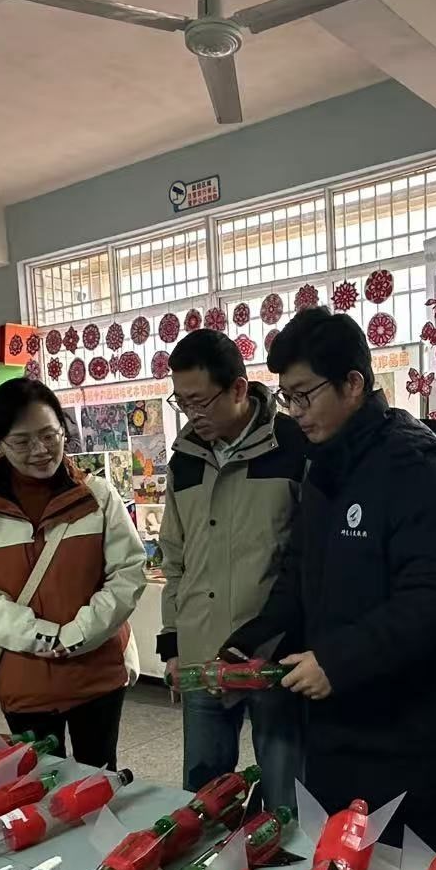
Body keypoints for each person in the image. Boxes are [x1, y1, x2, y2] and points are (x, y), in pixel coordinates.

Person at [225, 308, 436, 851]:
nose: (294, 413)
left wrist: (338, 661)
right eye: (286, 398)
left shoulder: (415, 469)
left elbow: (434, 598)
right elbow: (300, 573)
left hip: (410, 740)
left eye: (304, 395)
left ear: (354, 383)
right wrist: (252, 641)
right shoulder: (326, 466)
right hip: (339, 730)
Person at [0, 378, 146, 766]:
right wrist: (37, 635)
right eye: (21, 442)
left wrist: (80, 632)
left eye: (49, 435)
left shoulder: (98, 497)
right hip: (24, 679)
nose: (40, 450)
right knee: (37, 781)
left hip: (96, 673)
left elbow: (128, 572)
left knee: (98, 778)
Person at [159, 329, 306, 808]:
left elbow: (310, 558)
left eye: (200, 402)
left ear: (239, 388)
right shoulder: (184, 460)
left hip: (272, 654)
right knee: (204, 797)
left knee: (286, 795)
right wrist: (172, 641)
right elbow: (175, 558)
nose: (192, 414)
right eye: (182, 403)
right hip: (202, 652)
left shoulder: (293, 446)